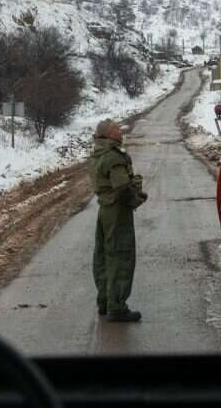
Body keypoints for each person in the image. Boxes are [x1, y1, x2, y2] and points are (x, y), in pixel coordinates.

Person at [89, 118, 148, 322]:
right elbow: (122, 188)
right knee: (121, 255)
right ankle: (117, 306)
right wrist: (137, 199)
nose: (120, 130)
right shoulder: (114, 157)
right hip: (117, 211)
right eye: (116, 128)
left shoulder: (99, 153)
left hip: (105, 208)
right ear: (107, 134)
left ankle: (105, 300)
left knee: (104, 255)